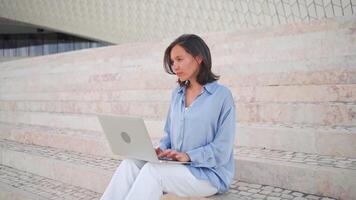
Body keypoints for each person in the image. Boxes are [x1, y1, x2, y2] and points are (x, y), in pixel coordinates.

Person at [100, 34, 236, 200]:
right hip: (177, 166)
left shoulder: (221, 96)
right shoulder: (177, 94)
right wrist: (161, 151)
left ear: (199, 58)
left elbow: (223, 150)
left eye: (179, 59)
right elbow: (169, 136)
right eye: (172, 62)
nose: (175, 66)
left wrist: (189, 156)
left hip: (208, 175)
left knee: (153, 172)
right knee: (130, 165)